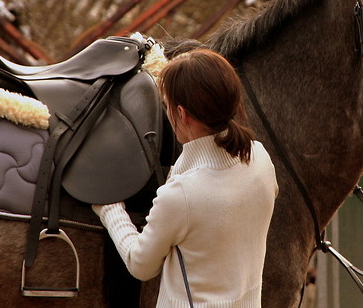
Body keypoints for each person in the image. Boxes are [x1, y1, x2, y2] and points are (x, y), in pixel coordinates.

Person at [92, 48, 278, 307]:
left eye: (167, 106)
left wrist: (110, 210)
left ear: (182, 114)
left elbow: (140, 264)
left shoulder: (181, 196)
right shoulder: (260, 159)